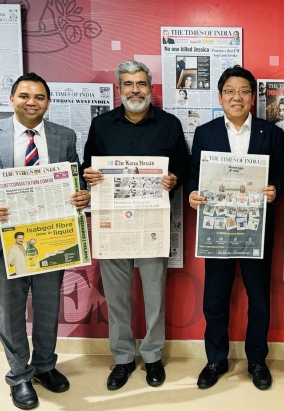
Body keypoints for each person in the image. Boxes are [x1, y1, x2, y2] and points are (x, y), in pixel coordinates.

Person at [0, 72, 90, 410]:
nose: (32, 102)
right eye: (25, 96)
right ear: (12, 99)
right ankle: (19, 375)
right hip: (5, 239)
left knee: (47, 309)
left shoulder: (64, 135)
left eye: (40, 97)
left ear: (48, 102)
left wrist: (81, 196)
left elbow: (74, 179)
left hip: (49, 238)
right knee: (12, 313)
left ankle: (45, 366)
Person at [82, 60, 188, 391]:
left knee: (154, 293)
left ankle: (153, 356)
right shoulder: (101, 126)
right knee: (116, 296)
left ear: (151, 88)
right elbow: (87, 166)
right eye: (127, 84)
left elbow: (184, 167)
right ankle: (124, 358)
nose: (135, 90)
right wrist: (89, 176)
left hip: (152, 222)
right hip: (112, 224)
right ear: (119, 89)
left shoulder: (169, 124)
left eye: (141, 83)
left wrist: (174, 179)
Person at [188, 65, 284, 391]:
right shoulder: (206, 132)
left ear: (252, 98)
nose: (237, 97)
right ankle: (216, 358)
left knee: (258, 299)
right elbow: (194, 175)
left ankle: (257, 359)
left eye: (244, 91)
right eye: (230, 91)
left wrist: (274, 189)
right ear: (220, 96)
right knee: (214, 299)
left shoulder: (269, 133)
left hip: (255, 230)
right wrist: (192, 192)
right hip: (217, 230)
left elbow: (282, 177)